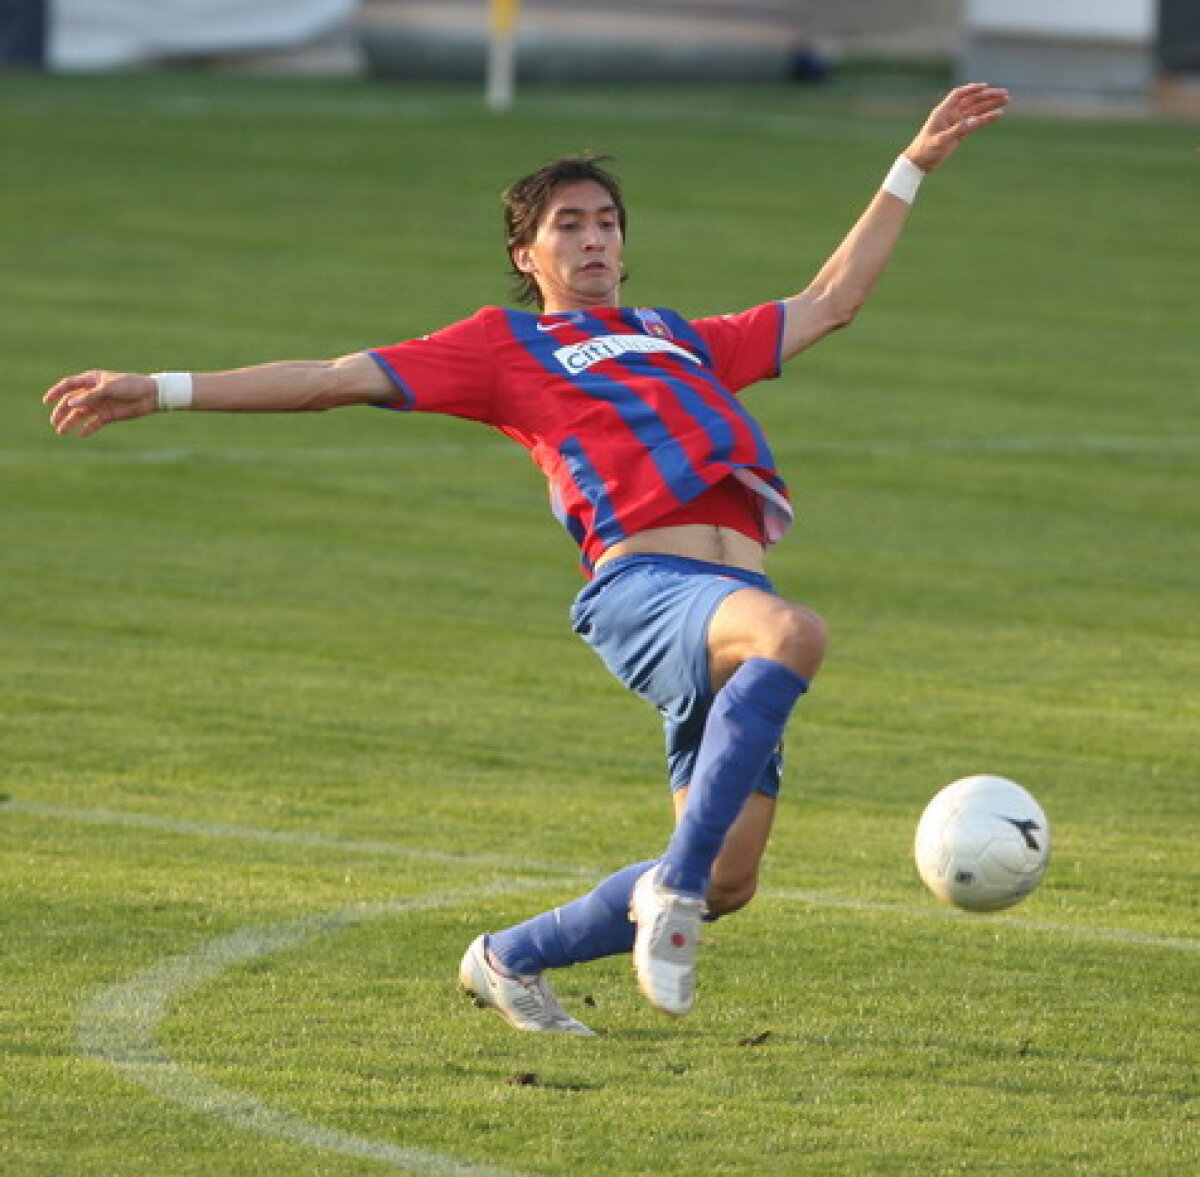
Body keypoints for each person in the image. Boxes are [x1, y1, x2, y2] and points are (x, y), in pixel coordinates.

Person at [45, 83, 1010, 1035]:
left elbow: (832, 300)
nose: (593, 239)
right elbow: (328, 380)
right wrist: (161, 388)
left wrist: (911, 165)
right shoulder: (506, 345)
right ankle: (666, 888)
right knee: (795, 636)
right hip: (652, 588)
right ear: (527, 254)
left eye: (606, 222)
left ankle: (510, 957)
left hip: (728, 606)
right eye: (567, 225)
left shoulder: (680, 337)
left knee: (730, 879)